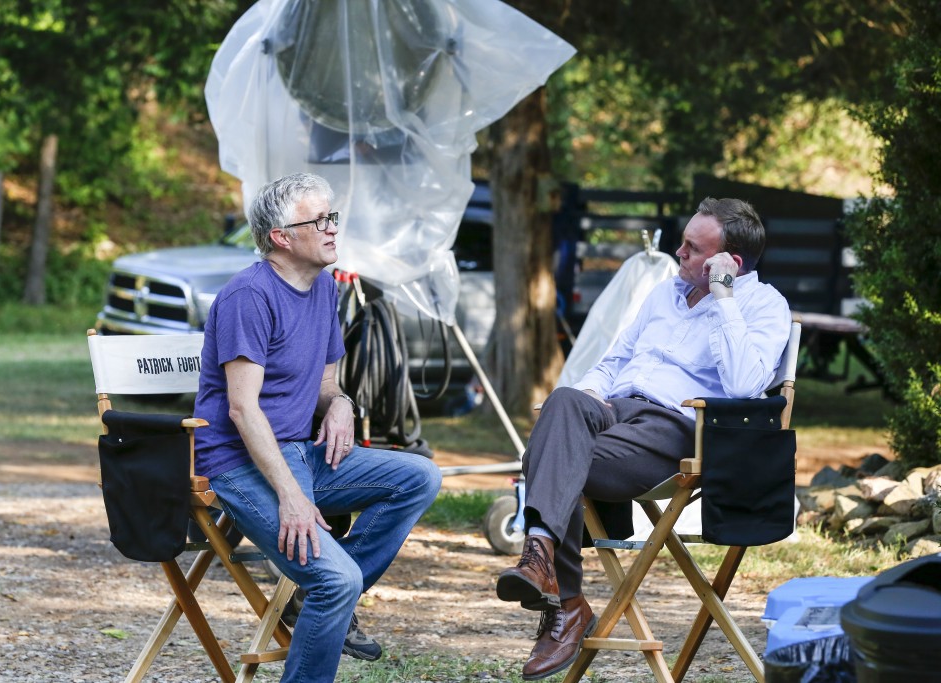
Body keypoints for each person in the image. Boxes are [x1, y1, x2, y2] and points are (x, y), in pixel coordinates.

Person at [495, 197, 792, 680]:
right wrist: (580, 406)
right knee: (564, 401)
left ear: (729, 263)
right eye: (684, 243)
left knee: (550, 457)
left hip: (676, 430)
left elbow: (743, 386)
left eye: (694, 249)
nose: (679, 253)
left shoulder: (763, 305)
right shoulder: (663, 294)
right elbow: (614, 361)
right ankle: (553, 574)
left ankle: (562, 598)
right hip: (615, 413)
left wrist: (723, 298)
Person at [193, 172, 443, 683]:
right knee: (338, 580)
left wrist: (342, 404)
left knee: (420, 476)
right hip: (241, 462)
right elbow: (243, 409)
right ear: (282, 237)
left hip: (301, 451)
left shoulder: (323, 287)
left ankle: (314, 593)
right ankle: (330, 589)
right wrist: (290, 495)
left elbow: (328, 382)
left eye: (333, 217)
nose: (333, 228)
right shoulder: (249, 297)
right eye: (321, 220)